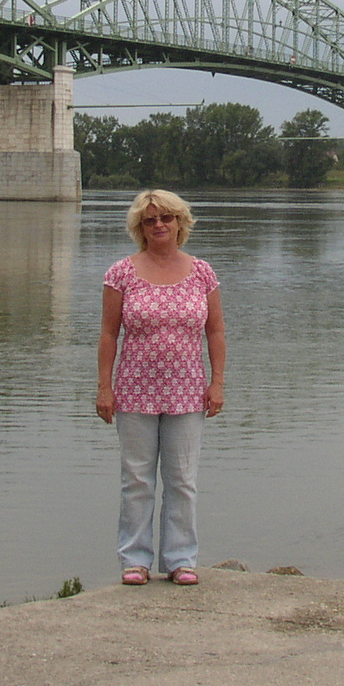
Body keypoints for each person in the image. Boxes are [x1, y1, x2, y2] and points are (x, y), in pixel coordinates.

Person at [96, 189, 226, 586]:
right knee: (136, 479)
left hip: (187, 392)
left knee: (182, 478)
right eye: (150, 220)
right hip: (134, 390)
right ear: (140, 227)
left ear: (180, 223)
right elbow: (107, 334)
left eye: (166, 218)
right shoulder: (121, 273)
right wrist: (105, 387)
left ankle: (181, 559)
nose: (159, 225)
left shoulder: (202, 272)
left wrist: (216, 382)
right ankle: (134, 560)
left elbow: (216, 331)